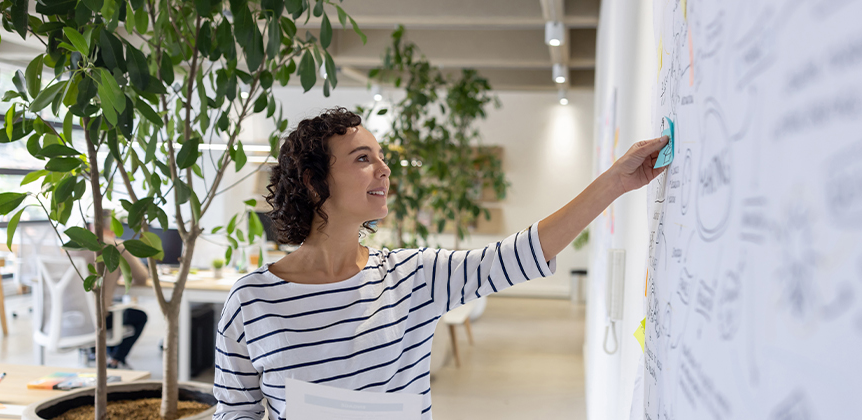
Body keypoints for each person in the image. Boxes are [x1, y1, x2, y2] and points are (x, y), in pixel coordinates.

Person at [212, 107, 669, 419]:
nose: (384, 169)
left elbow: (521, 253)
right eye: (362, 159)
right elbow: (235, 412)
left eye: (382, 158)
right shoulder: (252, 300)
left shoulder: (413, 276)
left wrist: (614, 183)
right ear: (314, 182)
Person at [78, 215, 151, 370]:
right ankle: (116, 360)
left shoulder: (72, 246)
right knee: (140, 317)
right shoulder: (115, 246)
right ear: (113, 229)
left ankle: (98, 352)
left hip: (69, 319)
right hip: (97, 320)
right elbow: (142, 277)